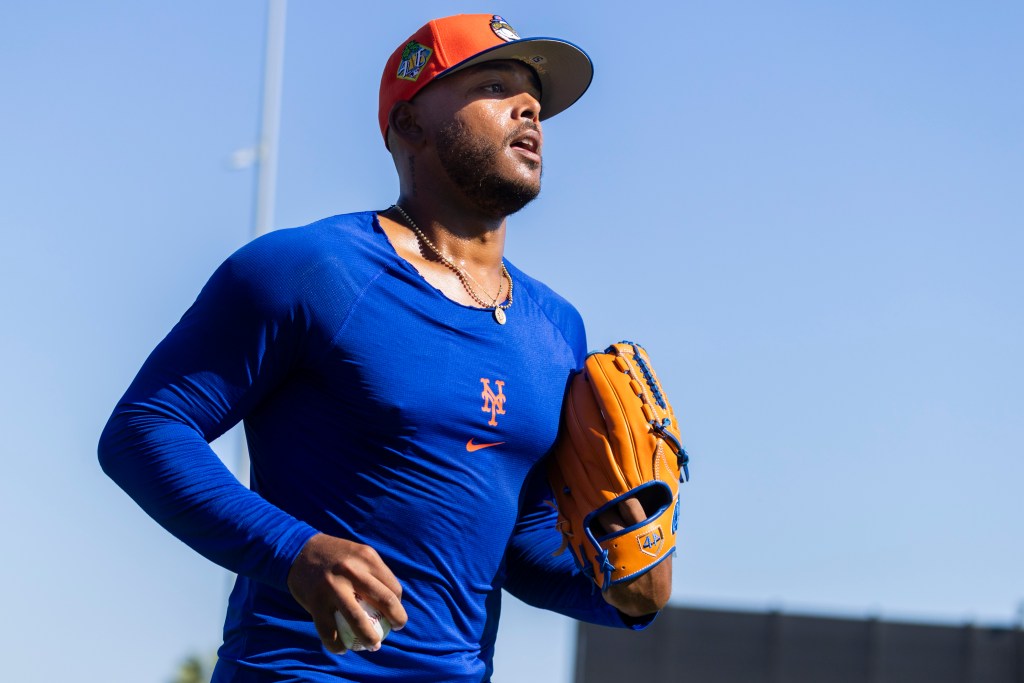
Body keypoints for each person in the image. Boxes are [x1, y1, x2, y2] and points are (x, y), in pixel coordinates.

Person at [99, 13, 670, 682]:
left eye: (536, 99)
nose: (530, 109)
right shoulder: (311, 269)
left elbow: (515, 545)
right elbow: (142, 429)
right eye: (494, 85)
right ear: (409, 125)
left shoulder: (556, 329)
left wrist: (621, 579)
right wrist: (296, 551)